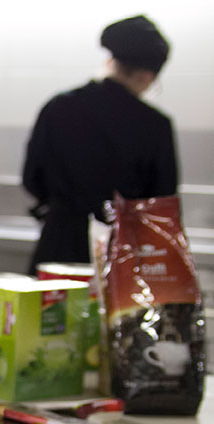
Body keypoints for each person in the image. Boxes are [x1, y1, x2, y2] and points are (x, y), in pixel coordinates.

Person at [22, 15, 178, 272]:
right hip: (121, 252)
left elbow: (31, 178)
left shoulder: (58, 107)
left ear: (110, 62)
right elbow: (161, 204)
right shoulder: (155, 125)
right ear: (146, 76)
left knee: (52, 299)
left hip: (58, 244)